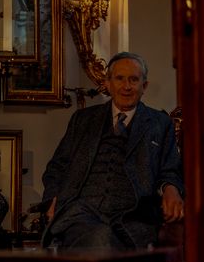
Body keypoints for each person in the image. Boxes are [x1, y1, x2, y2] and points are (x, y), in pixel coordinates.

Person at [41, 51, 184, 250]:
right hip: (81, 213)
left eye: (134, 80)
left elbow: (171, 169)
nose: (126, 86)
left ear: (144, 86)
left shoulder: (160, 124)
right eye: (119, 79)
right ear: (108, 83)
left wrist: (171, 189)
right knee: (99, 237)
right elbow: (57, 167)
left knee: (104, 239)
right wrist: (53, 199)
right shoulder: (82, 119)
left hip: (134, 216)